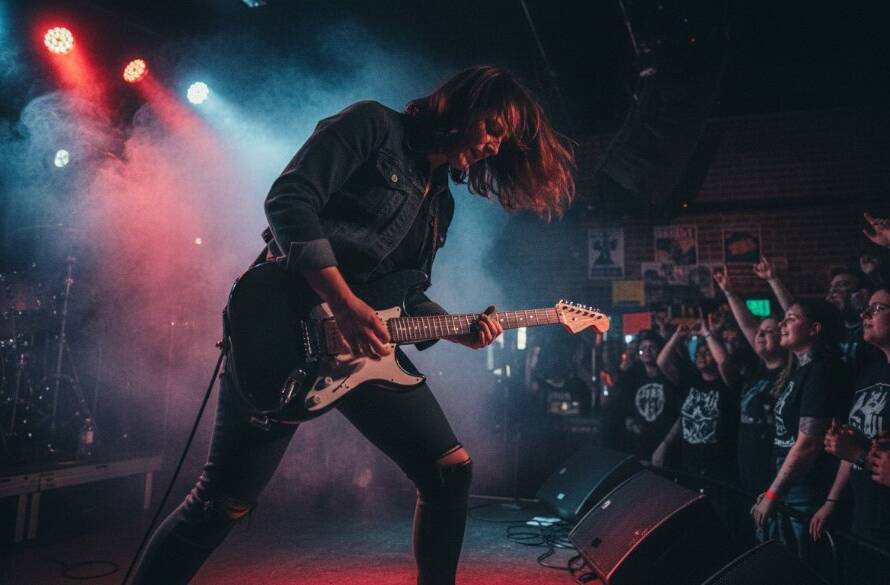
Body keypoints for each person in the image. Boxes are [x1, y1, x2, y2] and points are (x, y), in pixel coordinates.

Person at [130, 65, 575, 585]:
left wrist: (458, 329)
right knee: (220, 504)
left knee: (448, 470)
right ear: (467, 105)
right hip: (283, 331)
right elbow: (289, 200)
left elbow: (403, 296)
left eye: (504, 142)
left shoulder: (441, 205)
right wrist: (340, 301)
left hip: (361, 356)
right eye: (494, 129)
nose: (495, 147)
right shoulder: (372, 125)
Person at [750, 299, 852, 560]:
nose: (783, 324)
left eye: (792, 318)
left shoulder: (822, 371)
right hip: (792, 482)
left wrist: (775, 492)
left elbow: (808, 443)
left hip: (809, 485)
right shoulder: (802, 370)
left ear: (814, 328)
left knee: (804, 565)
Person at [811, 289, 890, 554]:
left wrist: (857, 453)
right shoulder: (871, 372)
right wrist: (832, 501)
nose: (865, 314)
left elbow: (861, 455)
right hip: (865, 514)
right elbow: (857, 445)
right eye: (866, 308)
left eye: (877, 308)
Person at [713, 267, 791, 500]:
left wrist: (773, 279)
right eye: (760, 331)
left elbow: (794, 316)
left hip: (777, 474)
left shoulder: (792, 370)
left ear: (785, 336)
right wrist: (729, 293)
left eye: (769, 331)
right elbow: (748, 326)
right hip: (749, 471)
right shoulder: (757, 370)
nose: (760, 334)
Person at [655, 316, 740, 485]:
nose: (701, 355)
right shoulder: (691, 380)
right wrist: (677, 335)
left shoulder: (726, 384)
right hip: (689, 462)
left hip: (719, 465)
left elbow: (723, 362)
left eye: (707, 352)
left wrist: (706, 333)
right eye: (699, 352)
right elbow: (662, 362)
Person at [608, 330, 680, 466]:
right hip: (640, 446)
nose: (647, 351)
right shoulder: (635, 375)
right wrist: (631, 423)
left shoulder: (669, 376)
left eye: (651, 347)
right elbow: (620, 396)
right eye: (643, 349)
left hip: (665, 445)